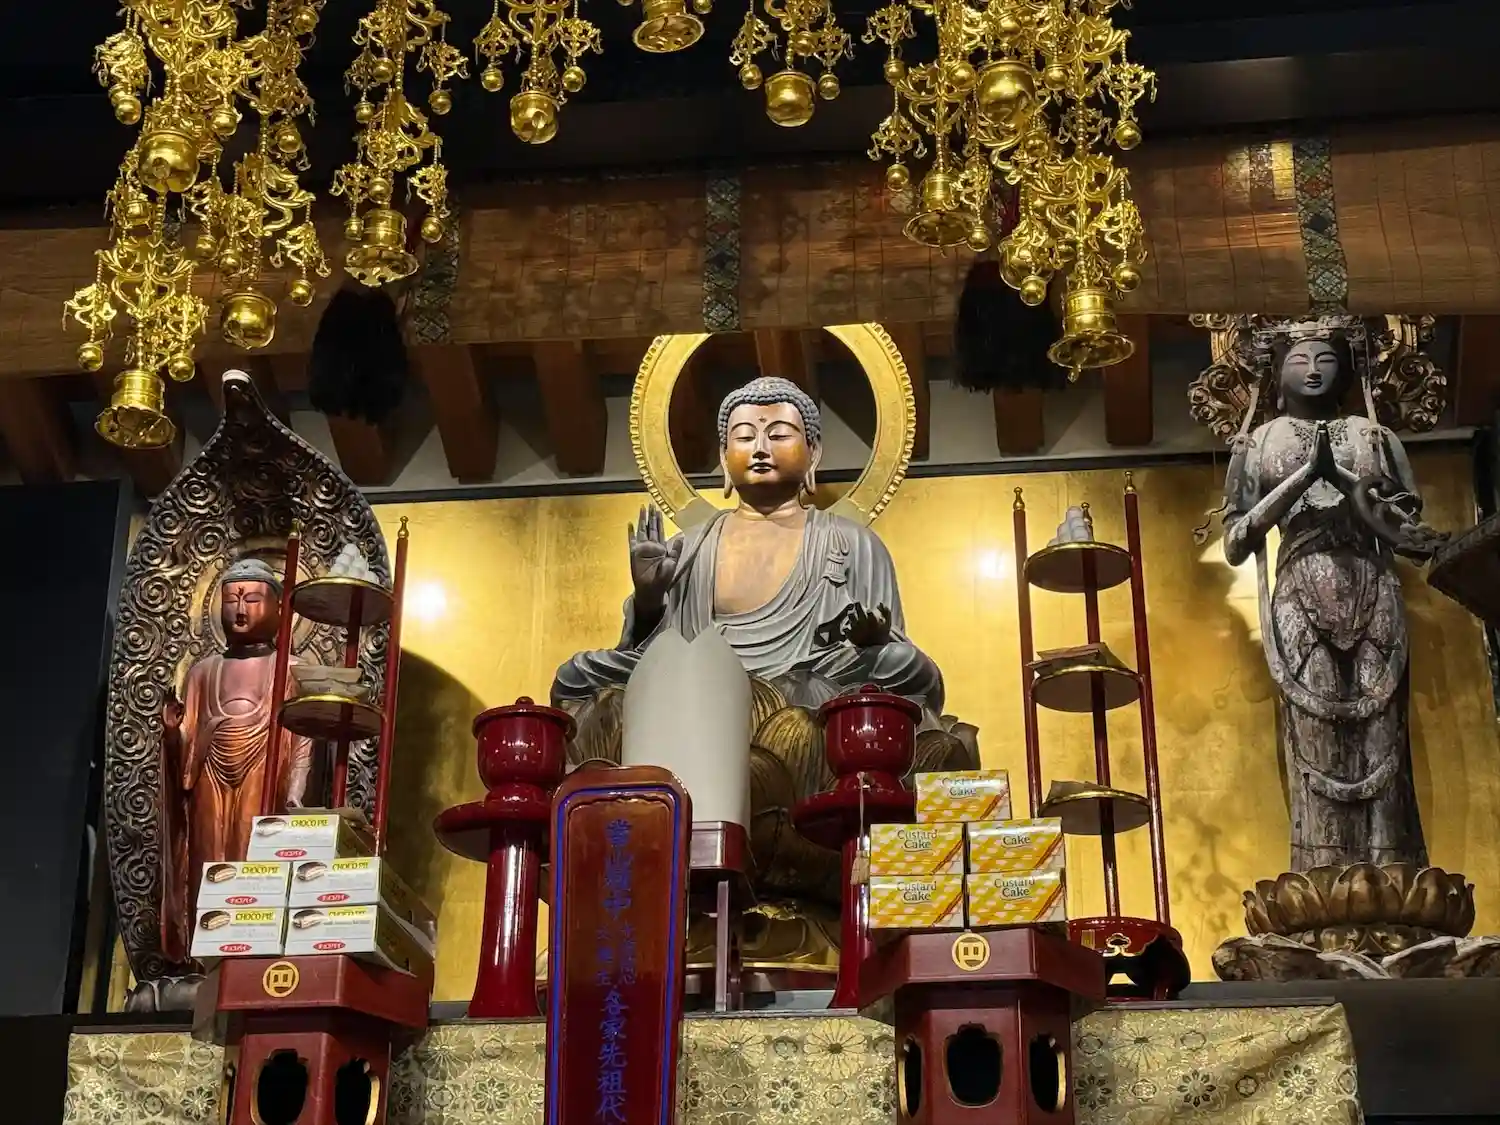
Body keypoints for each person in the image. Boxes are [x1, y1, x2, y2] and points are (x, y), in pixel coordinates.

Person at [552, 376, 945, 713]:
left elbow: (891, 644)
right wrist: (649, 601)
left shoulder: (852, 541)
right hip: (703, 685)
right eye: (743, 437)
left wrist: (873, 638)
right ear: (725, 459)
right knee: (577, 676)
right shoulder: (690, 548)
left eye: (779, 435)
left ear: (813, 454)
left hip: (812, 680)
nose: (760, 448)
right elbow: (654, 655)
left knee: (905, 666)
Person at [1222, 334, 1427, 872]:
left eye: (1326, 358)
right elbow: (1236, 541)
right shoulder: (1258, 442)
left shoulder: (1373, 435)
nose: (1313, 369)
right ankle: (1320, 869)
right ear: (1276, 372)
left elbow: (1410, 531)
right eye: (1299, 359)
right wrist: (1301, 478)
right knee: (1314, 731)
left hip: (1371, 581)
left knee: (1381, 732)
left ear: (1347, 369)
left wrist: (1340, 476)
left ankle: (1390, 865)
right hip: (1299, 586)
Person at [159, 557, 313, 961]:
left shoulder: (292, 671)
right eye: (231, 601)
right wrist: (173, 734)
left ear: (279, 609)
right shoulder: (202, 673)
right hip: (208, 775)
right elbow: (188, 743)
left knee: (252, 854)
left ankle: (251, 955)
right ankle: (205, 958)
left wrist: (295, 791)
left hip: (265, 772)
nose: (240, 610)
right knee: (208, 856)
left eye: (252, 600)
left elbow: (303, 741)